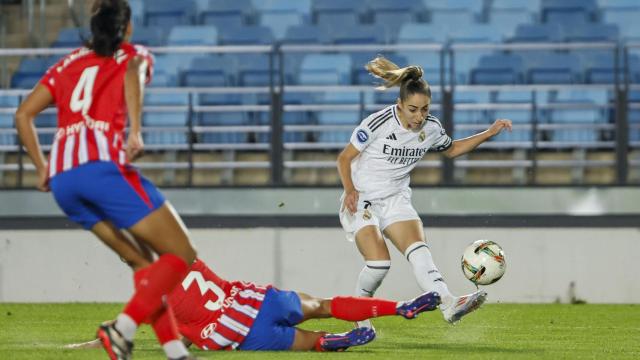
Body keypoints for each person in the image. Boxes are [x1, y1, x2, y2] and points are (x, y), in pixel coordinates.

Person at [15, 1, 198, 359]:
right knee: (182, 254)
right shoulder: (132, 53)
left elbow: (23, 115)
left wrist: (42, 167)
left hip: (65, 183)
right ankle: (122, 328)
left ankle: (176, 352)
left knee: (143, 264)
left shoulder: (67, 63)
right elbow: (133, 68)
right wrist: (136, 131)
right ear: (126, 28)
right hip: (101, 168)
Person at [337, 56, 513, 328]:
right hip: (363, 200)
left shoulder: (431, 128)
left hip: (396, 198)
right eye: (412, 109)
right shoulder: (378, 122)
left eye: (424, 109)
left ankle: (449, 303)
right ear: (400, 105)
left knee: (419, 251)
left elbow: (452, 149)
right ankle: (360, 310)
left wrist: (488, 133)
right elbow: (344, 158)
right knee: (380, 265)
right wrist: (349, 189)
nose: (419, 116)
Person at [65, 238, 442, 352]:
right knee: (323, 305)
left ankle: (335, 342)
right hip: (252, 299)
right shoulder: (184, 259)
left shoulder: (148, 296)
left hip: (234, 330)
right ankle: (401, 307)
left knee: (310, 343)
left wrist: (90, 343)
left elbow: (139, 327)